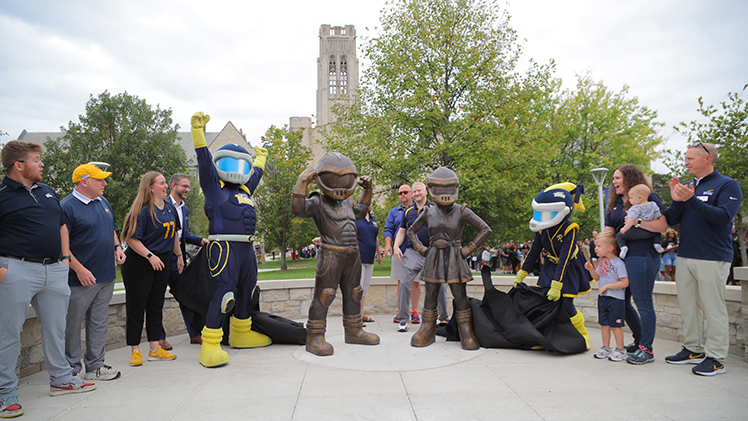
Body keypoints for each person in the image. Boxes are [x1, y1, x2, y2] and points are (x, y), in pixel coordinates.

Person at [1, 141, 95, 419]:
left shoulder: (48, 192)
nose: (42, 164)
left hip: (54, 269)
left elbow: (61, 225)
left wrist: (65, 259)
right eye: (36, 160)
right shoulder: (3, 195)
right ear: (19, 165)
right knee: (7, 333)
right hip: (16, 269)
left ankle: (62, 379)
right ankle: (5, 393)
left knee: (57, 329)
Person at [190, 112, 272, 367]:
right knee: (225, 294)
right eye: (230, 165)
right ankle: (211, 344)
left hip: (246, 248)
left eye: (242, 165)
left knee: (247, 290)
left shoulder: (244, 190)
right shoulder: (215, 190)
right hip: (224, 247)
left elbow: (256, 174)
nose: (237, 171)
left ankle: (240, 332)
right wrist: (198, 134)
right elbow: (204, 163)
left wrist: (260, 158)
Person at [664, 142, 742, 376]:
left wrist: (690, 199)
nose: (686, 161)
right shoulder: (688, 186)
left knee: (713, 308)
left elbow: (723, 217)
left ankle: (716, 358)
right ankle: (693, 349)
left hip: (713, 257)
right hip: (686, 256)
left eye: (690, 158)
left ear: (707, 158)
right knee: (688, 306)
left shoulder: (728, 185)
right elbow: (670, 219)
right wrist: (677, 198)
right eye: (685, 158)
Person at [291, 152, 380, 356]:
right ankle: (314, 337)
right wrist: (302, 181)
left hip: (352, 255)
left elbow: (361, 210)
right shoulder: (318, 201)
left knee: (354, 293)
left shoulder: (347, 203)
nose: (340, 185)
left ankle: (354, 330)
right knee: (325, 295)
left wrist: (368, 190)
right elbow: (298, 209)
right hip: (331, 255)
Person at [407, 167, 492, 349]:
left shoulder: (461, 211)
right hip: (433, 256)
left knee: (460, 296)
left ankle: (465, 330)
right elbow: (411, 230)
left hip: (455, 257)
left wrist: (468, 249)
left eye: (448, 188)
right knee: (430, 295)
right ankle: (427, 328)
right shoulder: (429, 212)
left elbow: (485, 229)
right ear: (431, 189)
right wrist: (421, 249)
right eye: (439, 189)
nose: (444, 194)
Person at [62, 163, 126, 381]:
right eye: (100, 180)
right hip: (78, 280)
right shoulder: (66, 207)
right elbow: (60, 245)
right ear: (84, 182)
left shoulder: (102, 201)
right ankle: (70, 370)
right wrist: (79, 270)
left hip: (106, 276)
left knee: (99, 323)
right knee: (72, 325)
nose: (105, 183)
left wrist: (117, 247)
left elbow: (111, 229)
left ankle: (95, 367)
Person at [515, 182, 592, 349]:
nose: (540, 217)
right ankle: (544, 338)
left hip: (568, 267)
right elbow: (534, 251)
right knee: (544, 302)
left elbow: (564, 258)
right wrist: (522, 273)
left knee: (566, 303)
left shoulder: (570, 228)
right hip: (550, 265)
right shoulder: (542, 228)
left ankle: (581, 336)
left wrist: (557, 285)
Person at [603, 164, 668, 365]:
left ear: (630, 178)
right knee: (621, 302)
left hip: (643, 255)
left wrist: (636, 222)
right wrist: (604, 255)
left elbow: (662, 226)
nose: (614, 182)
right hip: (621, 257)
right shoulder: (615, 203)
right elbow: (609, 230)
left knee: (643, 302)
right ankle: (640, 339)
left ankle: (646, 349)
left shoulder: (648, 198)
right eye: (613, 179)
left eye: (617, 178)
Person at [121, 171, 183, 367]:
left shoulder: (170, 209)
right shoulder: (141, 210)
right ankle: (135, 350)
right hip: (139, 263)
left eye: (165, 183)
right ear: (151, 187)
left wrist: (179, 256)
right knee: (137, 307)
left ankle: (155, 349)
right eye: (162, 183)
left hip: (162, 262)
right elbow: (129, 238)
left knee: (156, 306)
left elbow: (173, 234)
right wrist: (149, 256)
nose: (166, 186)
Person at [160, 173, 209, 349]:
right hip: (162, 259)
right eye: (184, 186)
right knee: (157, 299)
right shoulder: (162, 205)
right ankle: (159, 338)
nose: (187, 189)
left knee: (186, 295)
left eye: (188, 186)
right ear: (173, 186)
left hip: (179, 260)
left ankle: (194, 334)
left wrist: (200, 240)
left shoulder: (185, 209)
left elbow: (183, 235)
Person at [393, 182, 449, 332]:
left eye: (419, 190)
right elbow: (402, 231)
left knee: (441, 285)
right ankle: (403, 319)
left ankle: (443, 318)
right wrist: (396, 246)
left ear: (426, 191)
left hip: (432, 252)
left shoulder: (435, 209)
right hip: (412, 253)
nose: (416, 193)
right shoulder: (407, 212)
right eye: (414, 191)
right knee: (405, 283)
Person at [585, 231, 629, 362]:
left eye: (598, 246)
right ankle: (606, 347)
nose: (595, 248)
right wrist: (591, 270)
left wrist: (607, 286)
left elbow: (625, 282)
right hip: (603, 299)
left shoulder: (619, 264)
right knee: (604, 324)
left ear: (610, 248)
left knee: (616, 326)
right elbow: (597, 278)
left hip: (615, 300)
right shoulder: (602, 263)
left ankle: (620, 349)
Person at [383, 184, 421, 324]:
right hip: (399, 252)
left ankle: (415, 312)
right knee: (401, 282)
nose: (402, 195)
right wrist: (388, 244)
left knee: (415, 283)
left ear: (412, 194)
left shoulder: (419, 210)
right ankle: (401, 311)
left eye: (405, 192)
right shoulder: (394, 212)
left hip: (416, 252)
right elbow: (388, 229)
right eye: (400, 193)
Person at [617, 184, 666, 259]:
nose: (629, 200)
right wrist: (653, 220)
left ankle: (623, 248)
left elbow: (631, 220)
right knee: (657, 233)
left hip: (636, 231)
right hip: (650, 232)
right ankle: (657, 244)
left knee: (619, 236)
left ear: (639, 197)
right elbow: (657, 215)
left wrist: (625, 228)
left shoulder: (634, 208)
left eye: (631, 198)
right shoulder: (653, 204)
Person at [356, 204, 382, 323]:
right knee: (359, 287)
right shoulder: (355, 218)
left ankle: (361, 314)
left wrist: (379, 253)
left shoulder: (372, 219)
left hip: (370, 257)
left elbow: (375, 237)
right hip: (359, 257)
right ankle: (356, 316)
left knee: (365, 287)